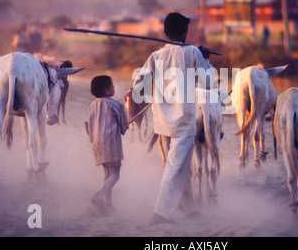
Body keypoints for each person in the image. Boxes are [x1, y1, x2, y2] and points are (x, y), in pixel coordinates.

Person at [133, 12, 209, 224]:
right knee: (174, 169)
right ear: (185, 32)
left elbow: (141, 87)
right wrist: (206, 58)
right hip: (183, 123)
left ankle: (189, 208)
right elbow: (207, 84)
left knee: (178, 167)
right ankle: (160, 214)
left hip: (161, 122)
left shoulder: (155, 56)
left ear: (166, 32)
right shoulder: (193, 52)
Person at [84, 75, 129, 216]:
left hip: (96, 143)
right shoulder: (117, 105)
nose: (114, 88)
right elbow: (122, 129)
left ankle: (108, 203)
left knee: (107, 174)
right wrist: (126, 125)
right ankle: (98, 197)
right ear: (107, 90)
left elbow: (87, 125)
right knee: (115, 175)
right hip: (111, 143)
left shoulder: (91, 106)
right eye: (112, 85)